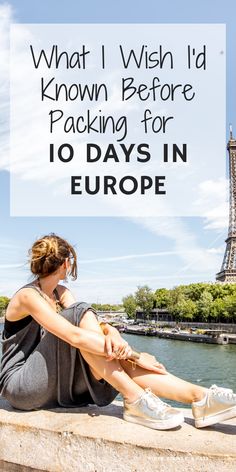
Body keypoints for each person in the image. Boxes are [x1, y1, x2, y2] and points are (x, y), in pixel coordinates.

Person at [0, 233, 236, 431]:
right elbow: (74, 334)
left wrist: (110, 331)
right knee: (94, 333)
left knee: (104, 357)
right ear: (65, 263)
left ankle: (200, 397)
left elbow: (87, 325)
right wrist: (134, 354)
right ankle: (134, 398)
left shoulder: (59, 292)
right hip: (21, 386)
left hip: (49, 381)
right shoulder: (28, 296)